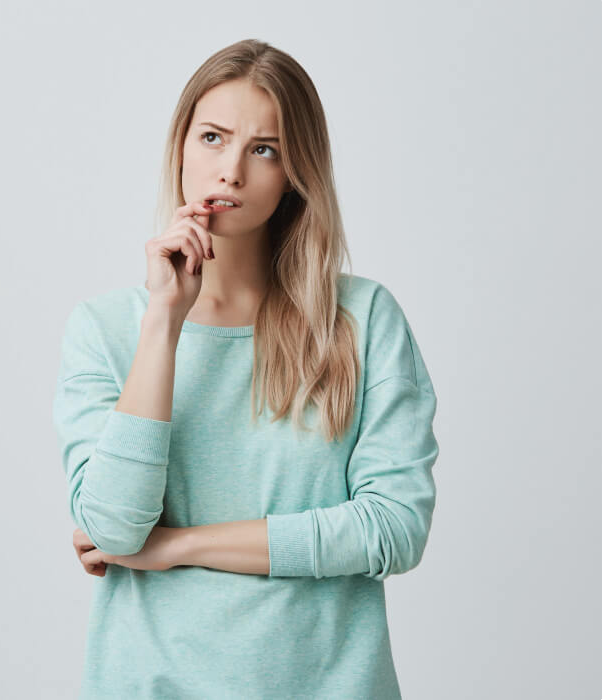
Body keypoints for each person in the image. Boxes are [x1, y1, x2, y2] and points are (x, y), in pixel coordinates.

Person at [51, 38, 439, 699]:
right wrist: (164, 326)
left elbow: (394, 528)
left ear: (295, 173)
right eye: (211, 137)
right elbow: (115, 528)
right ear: (180, 146)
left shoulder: (361, 320)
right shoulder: (107, 330)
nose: (229, 170)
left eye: (264, 149)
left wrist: (177, 547)